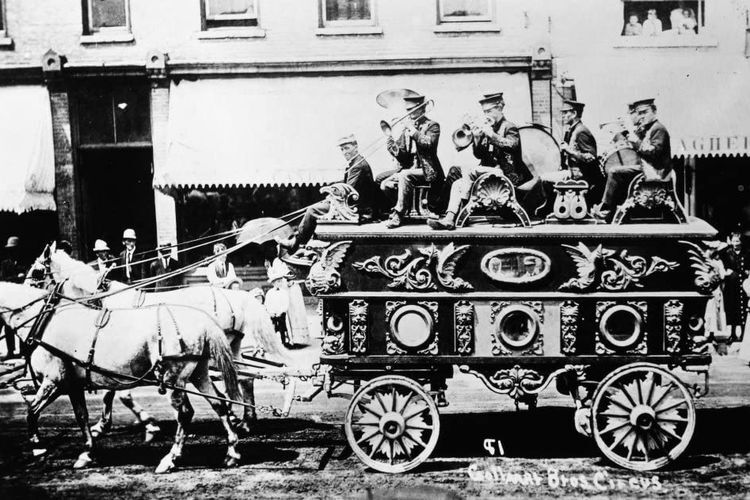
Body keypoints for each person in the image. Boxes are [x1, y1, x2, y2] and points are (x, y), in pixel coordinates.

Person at [428, 92, 543, 230]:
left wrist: (491, 135)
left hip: (506, 175)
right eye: (484, 112)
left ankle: (442, 209)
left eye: (489, 111)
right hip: (489, 172)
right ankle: (450, 217)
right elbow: (479, 154)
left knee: (462, 171)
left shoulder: (509, 127)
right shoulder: (488, 127)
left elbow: (512, 145)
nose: (486, 115)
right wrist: (477, 138)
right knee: (458, 180)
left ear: (500, 108)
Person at [277, 134, 377, 252]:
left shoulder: (358, 165)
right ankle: (300, 241)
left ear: (356, 146)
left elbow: (347, 190)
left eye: (347, 148)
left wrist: (332, 193)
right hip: (353, 205)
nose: (344, 152)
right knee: (315, 207)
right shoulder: (357, 162)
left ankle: (296, 243)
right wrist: (333, 187)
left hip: (357, 209)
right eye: (342, 149)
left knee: (312, 210)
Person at [595, 98, 671, 217]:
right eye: (639, 113)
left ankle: (607, 208)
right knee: (619, 169)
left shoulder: (658, 128)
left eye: (645, 112)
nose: (641, 116)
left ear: (654, 111)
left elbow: (654, 152)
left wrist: (636, 141)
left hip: (656, 170)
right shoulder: (648, 128)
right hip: (647, 168)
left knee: (614, 171)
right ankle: (613, 206)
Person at [381, 94, 444, 228]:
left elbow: (429, 144)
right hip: (410, 169)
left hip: (428, 170)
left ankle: (399, 214)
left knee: (404, 175)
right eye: (407, 110)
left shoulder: (432, 126)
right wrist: (391, 141)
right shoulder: (407, 128)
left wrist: (414, 131)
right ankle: (404, 208)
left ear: (421, 109)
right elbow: (402, 155)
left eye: (412, 110)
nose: (409, 113)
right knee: (385, 184)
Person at [559, 100, 603, 205]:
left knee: (543, 180)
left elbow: (591, 157)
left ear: (574, 113)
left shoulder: (581, 131)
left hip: (582, 177)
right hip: (574, 174)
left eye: (565, 112)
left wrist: (569, 150)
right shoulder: (572, 130)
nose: (563, 116)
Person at [721, 230, 748, 342]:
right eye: (733, 241)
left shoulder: (746, 252)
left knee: (743, 307)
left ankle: (743, 333)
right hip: (731, 284)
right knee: (731, 308)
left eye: (737, 241)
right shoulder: (727, 252)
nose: (735, 243)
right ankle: (732, 334)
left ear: (741, 242)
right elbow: (718, 255)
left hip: (743, 284)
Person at [0, 236, 24, 360]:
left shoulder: (23, 263)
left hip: (20, 298)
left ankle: (23, 351)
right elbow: (3, 280)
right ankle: (10, 351)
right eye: (10, 250)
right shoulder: (5, 264)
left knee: (22, 323)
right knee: (8, 325)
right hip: (9, 298)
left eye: (14, 249)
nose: (12, 252)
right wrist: (17, 278)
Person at [265, 259, 292, 347]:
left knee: (282, 328)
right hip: (273, 314)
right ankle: (273, 343)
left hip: (281, 314)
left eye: (280, 281)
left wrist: (281, 311)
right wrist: (271, 312)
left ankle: (284, 341)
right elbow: (267, 303)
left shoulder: (284, 292)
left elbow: (286, 303)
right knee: (273, 328)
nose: (279, 283)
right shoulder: (270, 293)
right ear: (273, 283)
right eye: (277, 282)